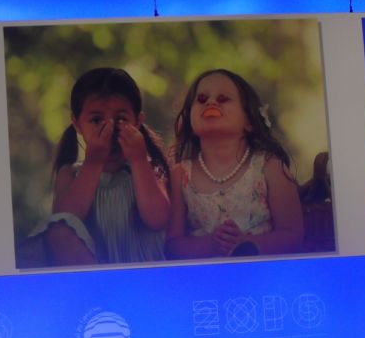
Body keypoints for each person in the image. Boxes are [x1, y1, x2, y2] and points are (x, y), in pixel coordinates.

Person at [18, 67, 170, 267]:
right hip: (94, 284)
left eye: (121, 119)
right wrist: (94, 161)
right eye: (96, 120)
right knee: (58, 229)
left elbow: (157, 219)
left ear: (138, 121)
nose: (109, 128)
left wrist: (139, 160)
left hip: (143, 279)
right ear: (77, 124)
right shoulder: (70, 174)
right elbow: (64, 225)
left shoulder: (150, 170)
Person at [166, 68, 303, 259]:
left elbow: (293, 236)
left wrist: (247, 244)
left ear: (250, 121)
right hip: (204, 281)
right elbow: (173, 246)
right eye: (202, 99)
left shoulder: (270, 166)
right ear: (189, 120)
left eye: (223, 99)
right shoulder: (179, 175)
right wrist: (211, 245)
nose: (210, 102)